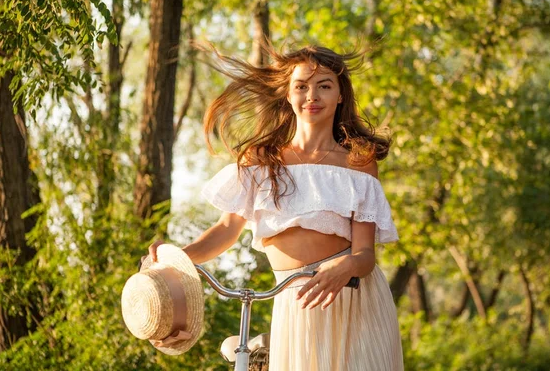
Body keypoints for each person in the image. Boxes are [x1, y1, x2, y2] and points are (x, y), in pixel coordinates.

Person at [148, 44, 404, 371]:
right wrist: (175, 256)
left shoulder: (358, 162)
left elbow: (366, 255)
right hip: (293, 301)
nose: (312, 95)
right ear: (288, 94)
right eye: (301, 86)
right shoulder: (261, 159)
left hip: (352, 297)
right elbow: (226, 231)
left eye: (324, 86)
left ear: (340, 95)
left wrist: (347, 266)